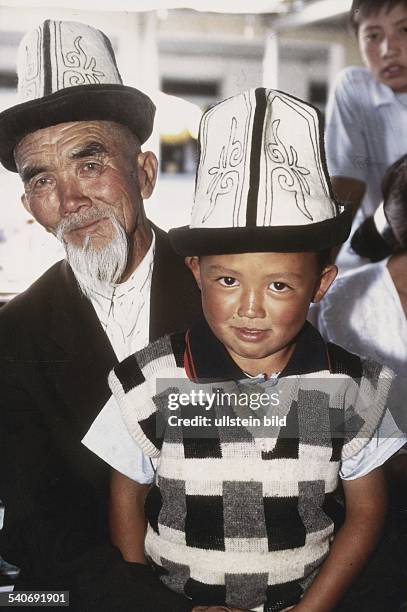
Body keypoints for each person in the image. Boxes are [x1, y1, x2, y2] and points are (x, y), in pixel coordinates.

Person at [87, 88, 407, 611]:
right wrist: (146, 601)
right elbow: (126, 493)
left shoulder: (355, 391)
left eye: (280, 285)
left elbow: (368, 512)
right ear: (197, 273)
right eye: (229, 280)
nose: (251, 308)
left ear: (321, 285)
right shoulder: (148, 381)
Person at [0, 20, 200, 612]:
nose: (70, 202)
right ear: (28, 204)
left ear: (143, 173)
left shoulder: (231, 285)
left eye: (89, 164)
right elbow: (41, 524)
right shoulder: (16, 335)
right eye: (43, 179)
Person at [325, 0, 407, 268]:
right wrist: (318, 271)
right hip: (377, 245)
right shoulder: (354, 88)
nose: (388, 50)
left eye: (404, 30)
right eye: (373, 36)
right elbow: (347, 183)